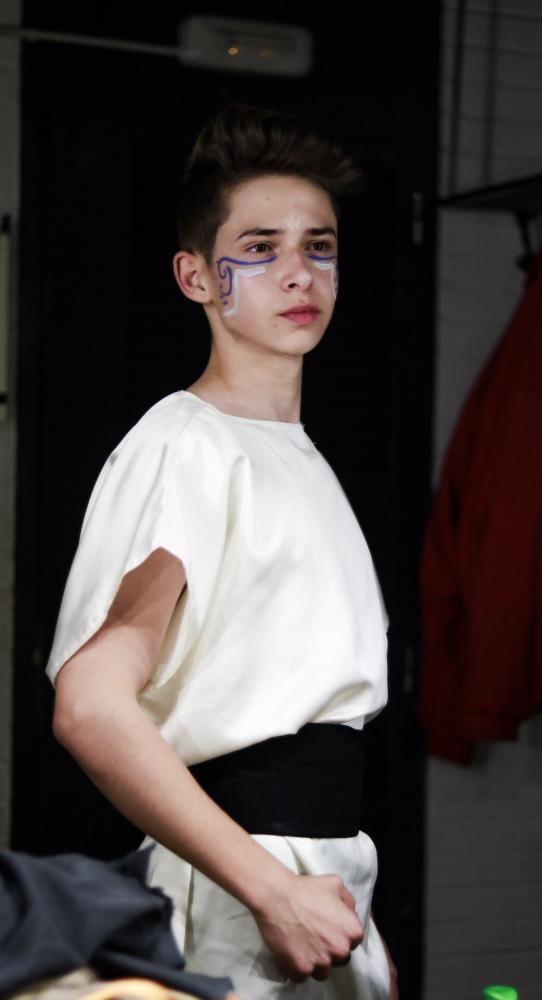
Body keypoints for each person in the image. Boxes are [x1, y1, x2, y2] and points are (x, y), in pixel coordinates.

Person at [46, 104, 398, 999]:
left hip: (321, 883)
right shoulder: (186, 444)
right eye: (260, 247)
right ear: (196, 275)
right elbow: (90, 704)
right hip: (241, 899)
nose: (298, 273)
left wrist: (358, 925)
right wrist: (274, 890)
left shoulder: (295, 453)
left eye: (319, 247)